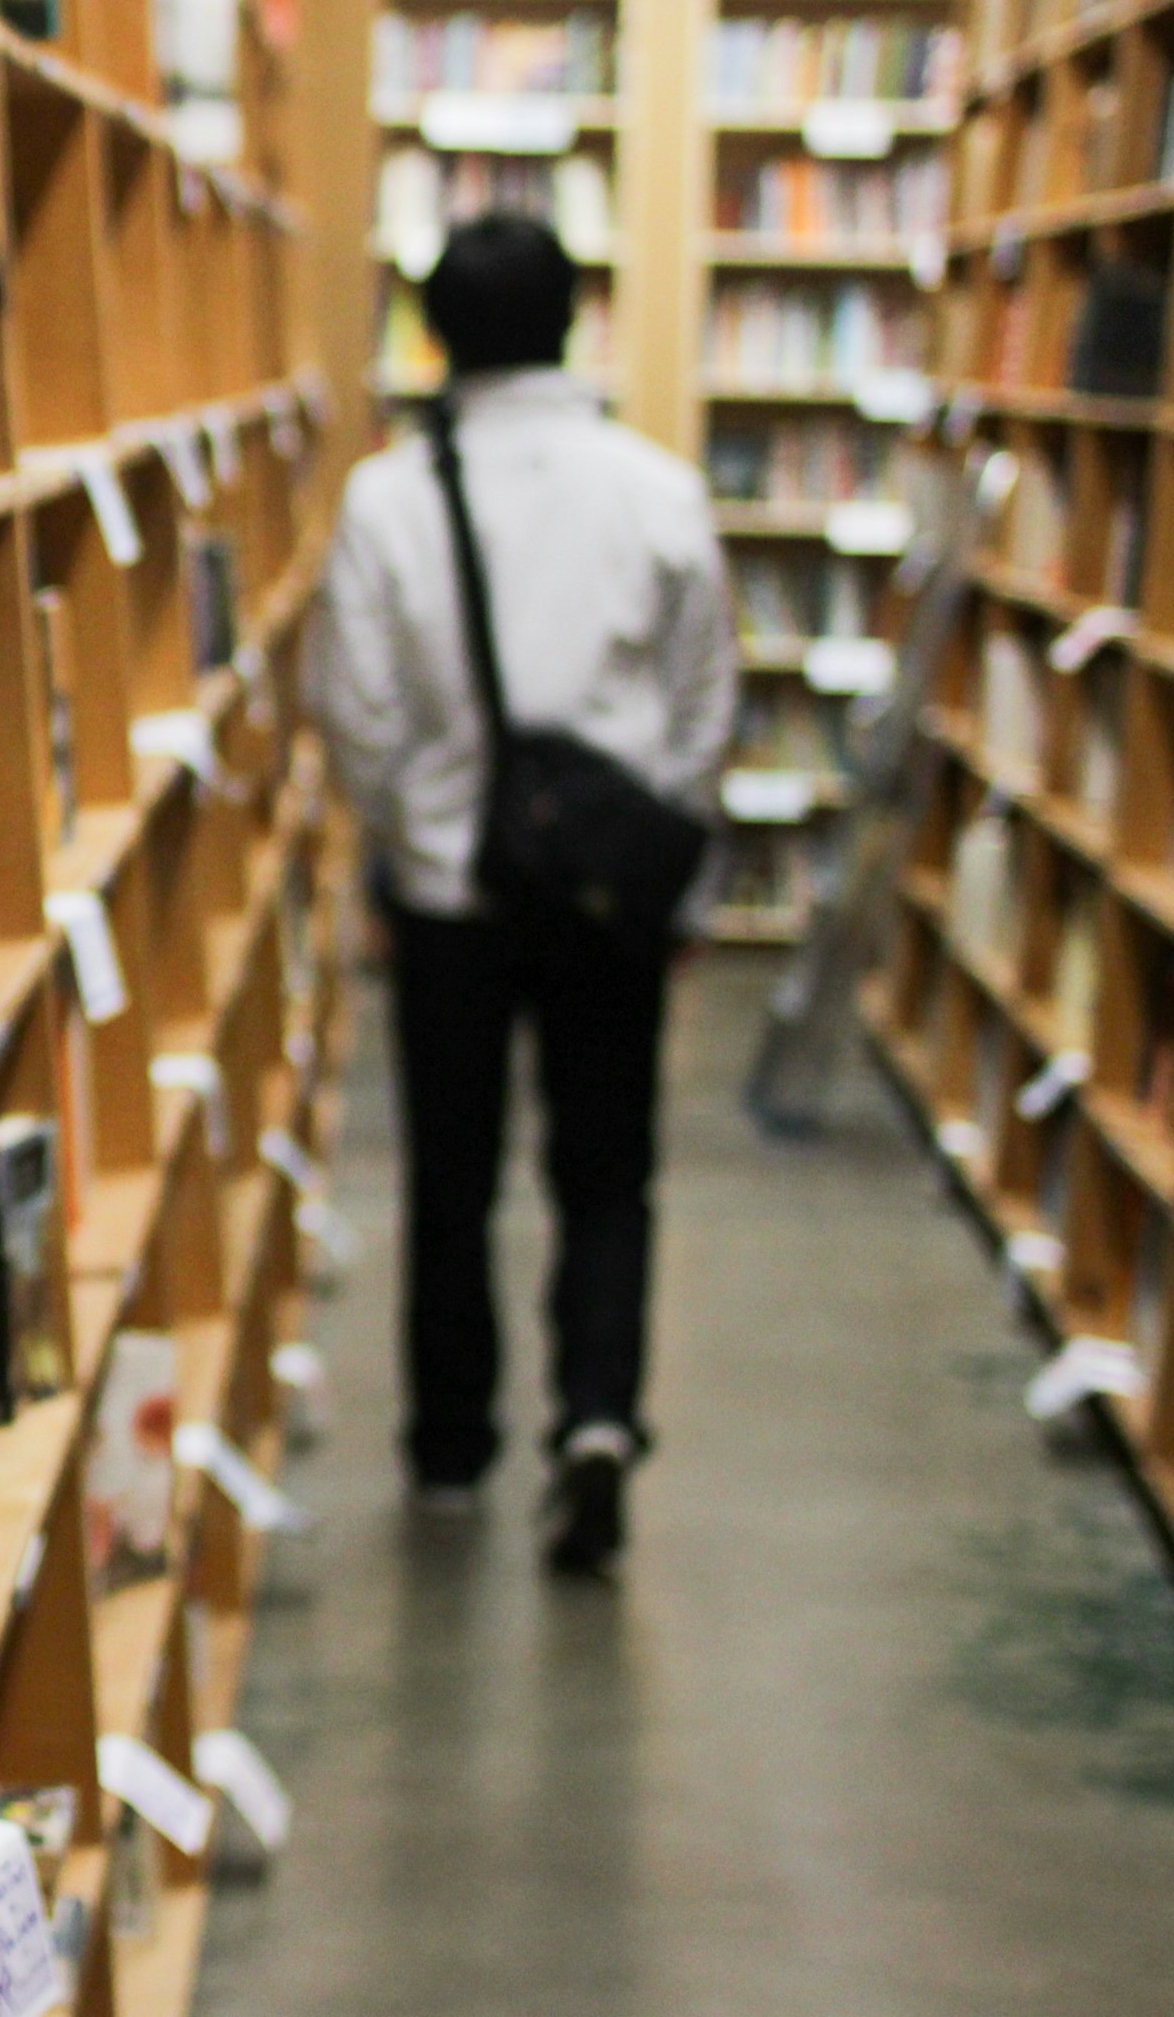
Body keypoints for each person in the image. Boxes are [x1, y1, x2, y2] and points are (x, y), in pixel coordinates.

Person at [305, 214, 739, 1575]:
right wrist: (642, 836)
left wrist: (414, 830)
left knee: (453, 1174)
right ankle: (599, 1420)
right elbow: (704, 701)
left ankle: (449, 1450)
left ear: (434, 334)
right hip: (611, 897)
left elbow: (355, 711)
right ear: (573, 323)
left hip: (452, 899)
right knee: (609, 1171)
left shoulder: (389, 496)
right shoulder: (657, 488)